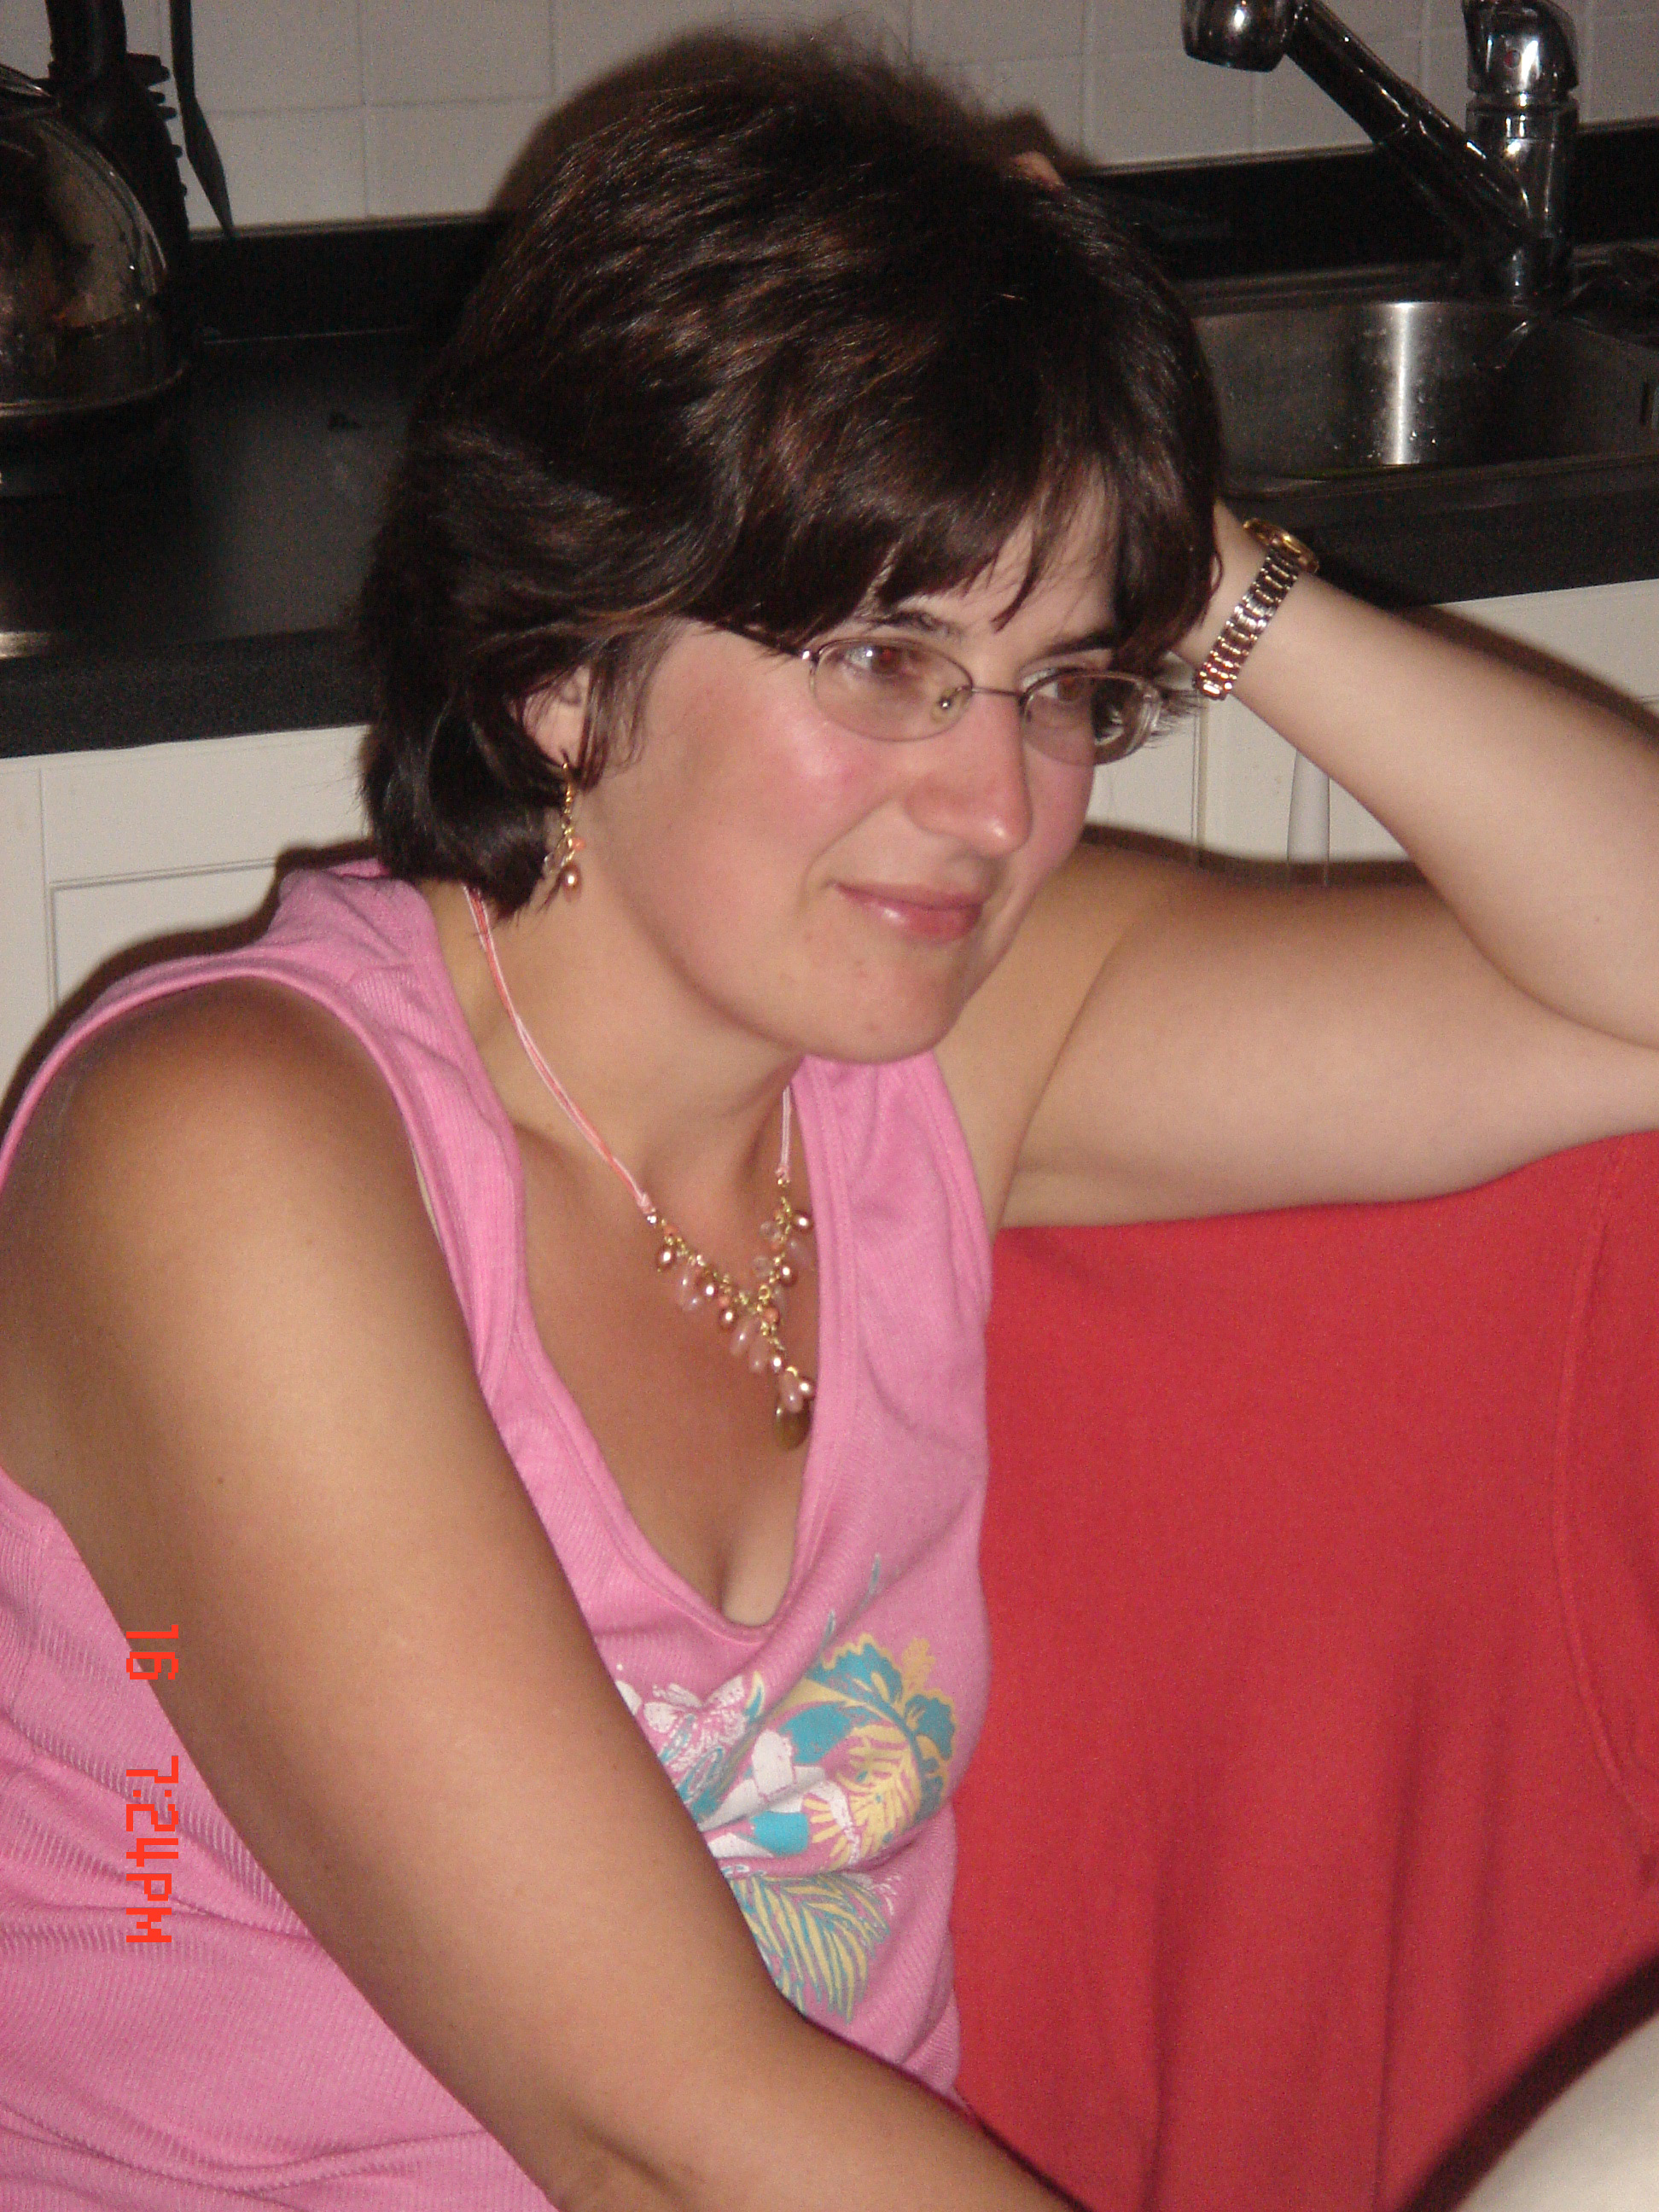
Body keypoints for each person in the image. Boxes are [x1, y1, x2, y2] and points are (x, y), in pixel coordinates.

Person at [0, 32, 1656, 2211]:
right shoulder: (219, 1155)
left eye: (1064, 685)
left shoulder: (946, 1051)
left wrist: (1199, 564)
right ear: (562, 664)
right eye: (884, 659)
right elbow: (662, 2127)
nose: (992, 806)